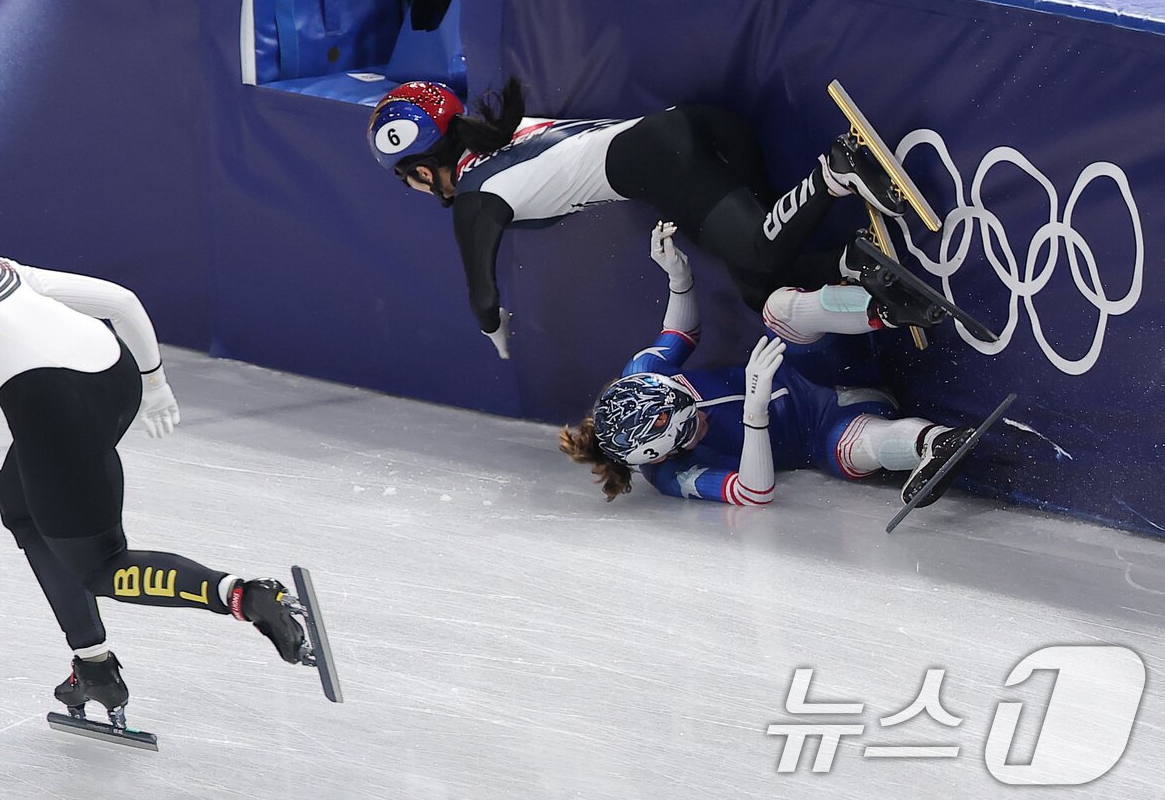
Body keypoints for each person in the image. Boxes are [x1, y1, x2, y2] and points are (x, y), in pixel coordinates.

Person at [0, 180, 308, 726]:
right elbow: (121, 301)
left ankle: (246, 596)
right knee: (18, 502)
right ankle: (92, 663)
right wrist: (154, 380)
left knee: (102, 568)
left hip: (54, 407)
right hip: (116, 374)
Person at [366, 79, 936, 359]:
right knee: (761, 286)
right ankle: (852, 266)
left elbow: (481, 294)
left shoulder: (474, 194)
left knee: (759, 254)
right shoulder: (502, 136)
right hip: (692, 129)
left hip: (664, 159)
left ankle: (836, 170)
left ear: (422, 170)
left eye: (405, 179)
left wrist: (495, 331)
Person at [558, 222, 974, 508]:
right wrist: (755, 413)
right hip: (823, 428)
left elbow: (681, 334)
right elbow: (753, 492)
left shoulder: (643, 372)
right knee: (854, 451)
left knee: (778, 309)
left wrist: (679, 278)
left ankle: (885, 308)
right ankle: (934, 442)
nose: (700, 419)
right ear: (661, 454)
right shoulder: (670, 476)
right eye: (688, 429)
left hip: (814, 367)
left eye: (688, 403)